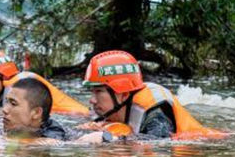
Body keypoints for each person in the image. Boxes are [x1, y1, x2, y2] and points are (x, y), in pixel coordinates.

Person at [80, 50, 226, 140]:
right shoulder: (111, 108)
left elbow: (158, 143)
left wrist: (106, 138)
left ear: (123, 93)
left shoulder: (156, 113)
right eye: (92, 92)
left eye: (98, 91)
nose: (91, 100)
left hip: (210, 144)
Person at [0, 49, 89, 115]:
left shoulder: (21, 84)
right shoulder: (15, 85)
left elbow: (18, 113)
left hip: (76, 118)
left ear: (3, 77)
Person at [3, 77, 109, 144]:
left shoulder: (53, 133)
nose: (4, 109)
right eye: (6, 102)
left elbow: (53, 143)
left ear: (36, 113)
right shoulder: (15, 129)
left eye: (13, 103)